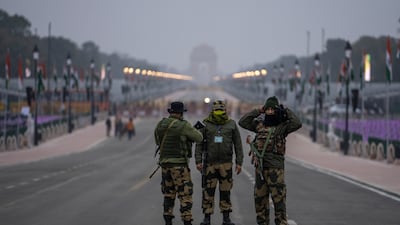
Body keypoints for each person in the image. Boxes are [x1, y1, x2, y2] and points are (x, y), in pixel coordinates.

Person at [238, 96, 302, 225]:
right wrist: (258, 110)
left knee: (279, 201)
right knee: (260, 201)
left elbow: (297, 123)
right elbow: (243, 122)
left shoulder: (282, 127)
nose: (270, 112)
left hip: (276, 169)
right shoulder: (259, 125)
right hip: (260, 168)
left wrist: (285, 111)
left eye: (273, 109)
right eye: (268, 109)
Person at [195, 100, 244, 225]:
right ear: (212, 110)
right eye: (216, 110)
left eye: (221, 110)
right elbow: (199, 144)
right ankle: (207, 218)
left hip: (226, 164)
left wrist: (239, 162)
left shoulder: (231, 124)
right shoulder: (205, 124)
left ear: (225, 110)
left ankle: (226, 219)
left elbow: (238, 144)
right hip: (210, 164)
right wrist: (198, 161)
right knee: (208, 192)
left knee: (225, 192)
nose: (219, 112)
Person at [154, 101, 203, 225]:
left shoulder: (161, 124)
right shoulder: (184, 125)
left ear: (170, 112)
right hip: (179, 166)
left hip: (165, 165)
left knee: (168, 194)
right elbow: (199, 138)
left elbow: (157, 140)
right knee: (185, 194)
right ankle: (187, 220)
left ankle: (168, 219)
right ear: (181, 113)